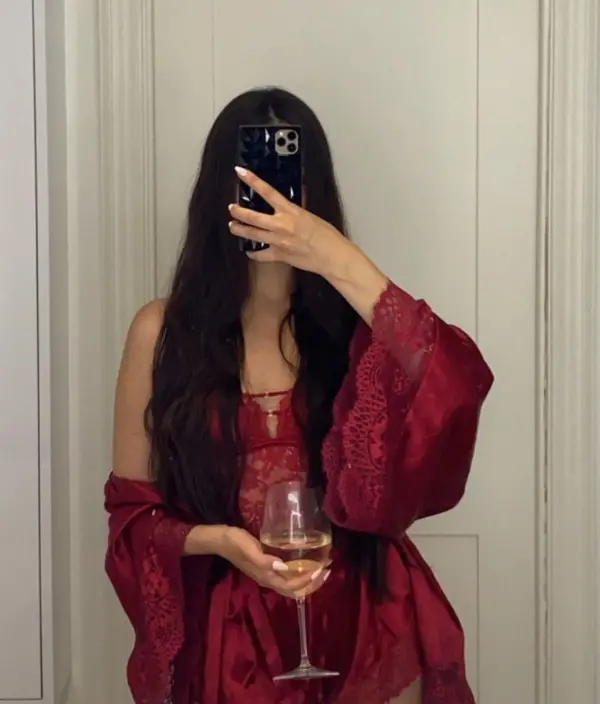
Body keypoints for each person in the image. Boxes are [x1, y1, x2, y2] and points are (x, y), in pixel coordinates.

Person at [105, 87, 493, 704]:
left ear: (317, 195)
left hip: (370, 625)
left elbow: (456, 382)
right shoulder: (162, 333)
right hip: (234, 649)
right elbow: (133, 518)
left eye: (287, 178)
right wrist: (220, 541)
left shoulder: (356, 331)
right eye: (251, 179)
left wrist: (335, 257)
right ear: (218, 194)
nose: (271, 197)